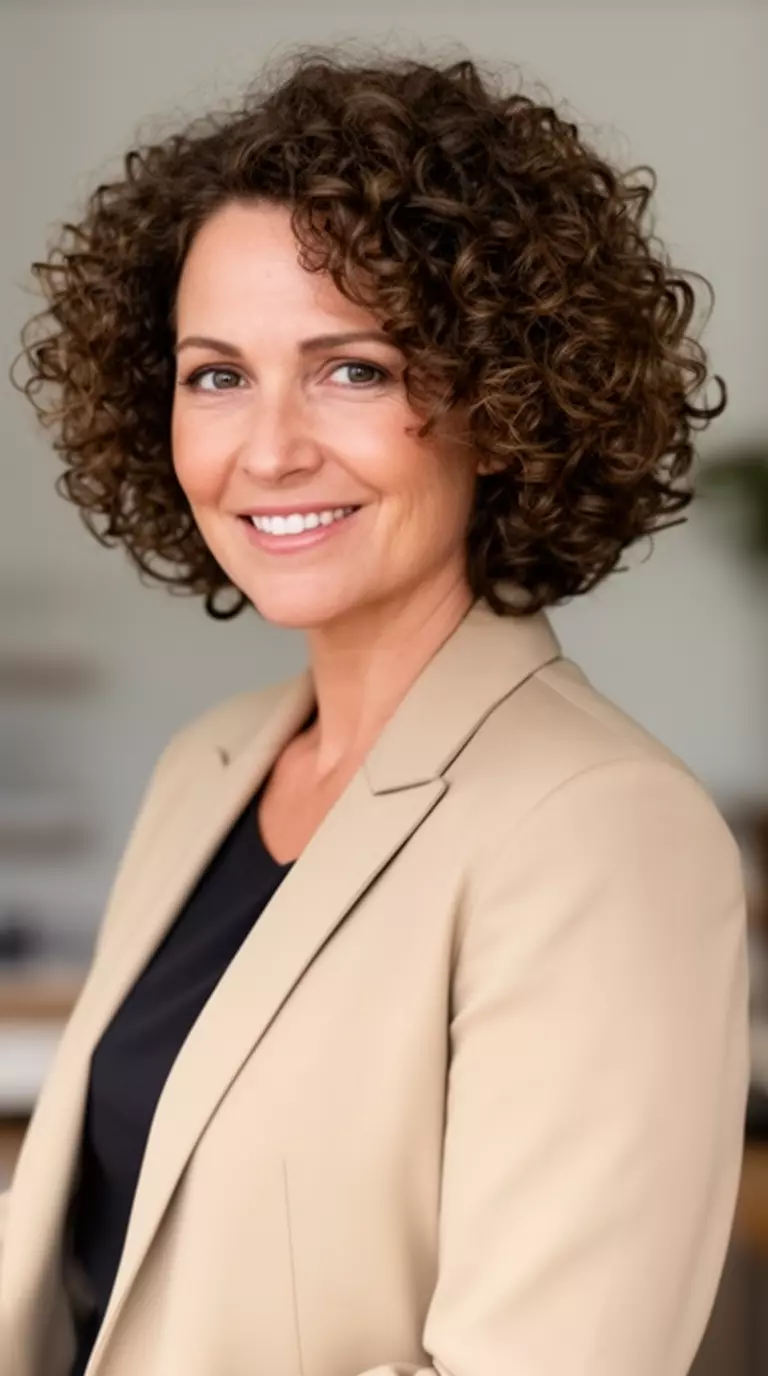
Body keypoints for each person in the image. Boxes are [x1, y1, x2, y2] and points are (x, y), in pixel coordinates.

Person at [0, 48, 749, 1376]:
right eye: (215, 374)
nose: (270, 446)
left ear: (501, 399)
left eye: (351, 369)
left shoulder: (602, 831)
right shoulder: (211, 766)